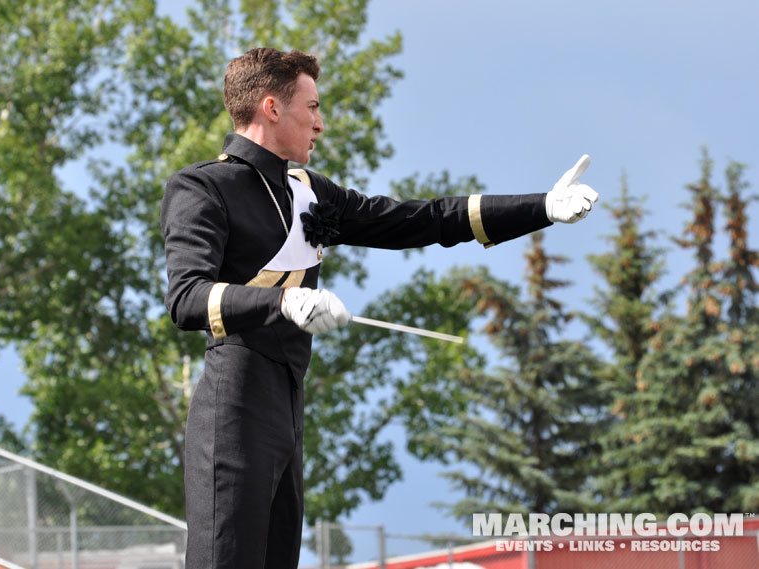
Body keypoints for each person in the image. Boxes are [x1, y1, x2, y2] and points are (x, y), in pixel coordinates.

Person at [160, 47, 598, 569]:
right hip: (232, 403)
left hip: (288, 402)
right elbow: (186, 297)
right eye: (313, 107)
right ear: (272, 108)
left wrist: (541, 208)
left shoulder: (308, 191)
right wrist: (286, 301)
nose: (321, 124)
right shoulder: (202, 185)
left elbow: (423, 219)